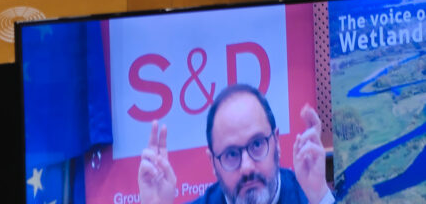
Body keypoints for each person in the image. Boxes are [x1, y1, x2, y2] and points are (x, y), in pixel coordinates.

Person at [138, 84, 334, 204]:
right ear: (213, 163)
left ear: (277, 143)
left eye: (256, 144)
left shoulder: (309, 197)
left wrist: (319, 196)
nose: (247, 167)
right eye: (231, 154)